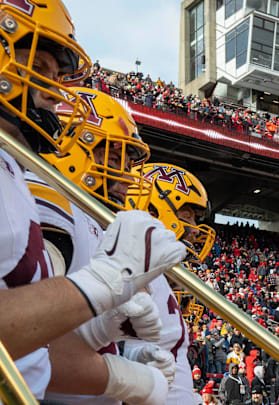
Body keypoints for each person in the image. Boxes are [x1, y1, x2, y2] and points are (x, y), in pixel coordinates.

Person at [0, 0, 185, 400]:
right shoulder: (47, 198)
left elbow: (34, 345)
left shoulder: (10, 170)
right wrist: (104, 283)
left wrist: (99, 335)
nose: (54, 94)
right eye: (42, 70)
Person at [33, 88, 174, 404]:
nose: (126, 174)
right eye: (113, 157)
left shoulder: (90, 218)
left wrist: (111, 345)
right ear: (68, 145)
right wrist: (123, 377)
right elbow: (27, 337)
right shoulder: (51, 202)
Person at [124, 162, 217, 404]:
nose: (195, 230)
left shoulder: (156, 272)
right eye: (187, 217)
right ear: (151, 211)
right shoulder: (131, 266)